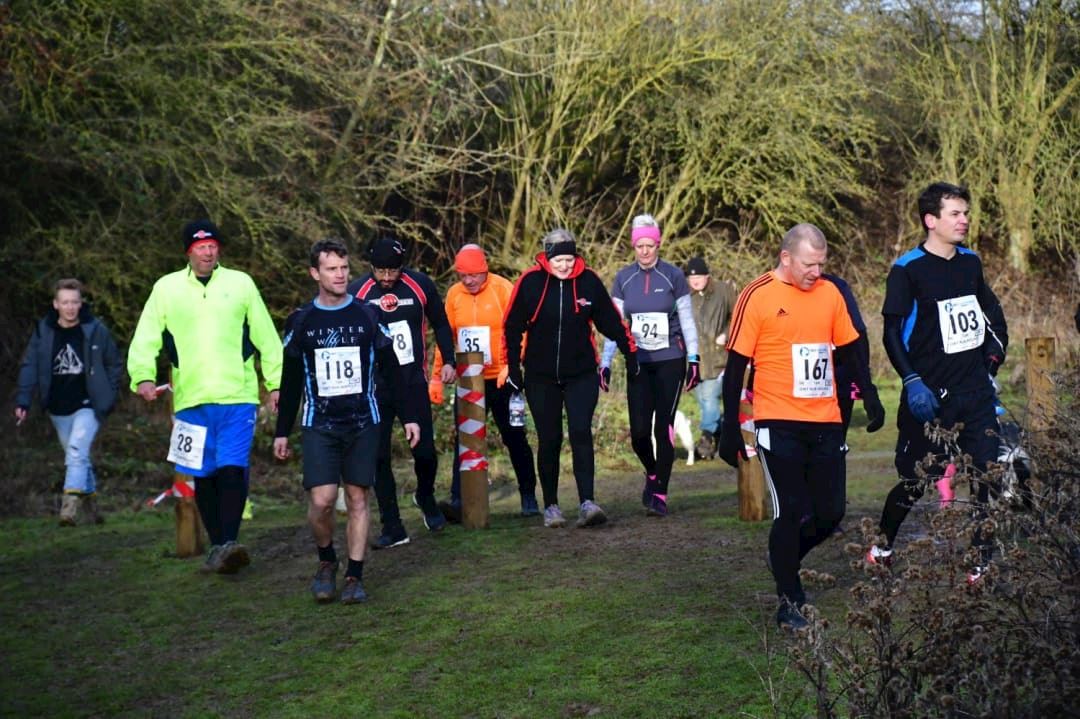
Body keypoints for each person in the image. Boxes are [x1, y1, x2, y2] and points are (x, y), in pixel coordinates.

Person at [718, 223, 885, 631]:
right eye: (810, 264)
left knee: (830, 513)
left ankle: (783, 559)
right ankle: (789, 599)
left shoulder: (830, 293)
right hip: (778, 420)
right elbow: (736, 365)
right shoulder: (757, 295)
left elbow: (850, 350)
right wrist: (728, 425)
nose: (816, 272)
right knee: (791, 511)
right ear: (786, 257)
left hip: (826, 418)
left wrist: (871, 393)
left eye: (822, 264)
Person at [868, 182, 1008, 583]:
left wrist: (992, 359)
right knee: (915, 483)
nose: (964, 220)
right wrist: (912, 381)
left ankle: (980, 565)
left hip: (975, 396)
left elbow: (990, 317)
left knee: (988, 476)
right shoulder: (907, 270)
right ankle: (882, 546)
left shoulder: (971, 263)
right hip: (929, 399)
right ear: (931, 221)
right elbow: (891, 333)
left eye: (966, 213)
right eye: (955, 213)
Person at [128, 220, 282, 574]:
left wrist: (276, 383)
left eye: (213, 245)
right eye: (201, 246)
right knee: (205, 474)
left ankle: (229, 542)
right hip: (190, 399)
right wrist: (143, 377)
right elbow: (146, 336)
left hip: (236, 395)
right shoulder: (166, 289)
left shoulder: (240, 283)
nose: (208, 251)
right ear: (189, 251)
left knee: (232, 467)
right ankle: (220, 546)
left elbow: (267, 337)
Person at [273, 239, 420, 604]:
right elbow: (291, 382)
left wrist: (410, 417)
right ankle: (326, 561)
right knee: (322, 501)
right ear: (315, 273)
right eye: (331, 269)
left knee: (357, 498)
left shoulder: (368, 315)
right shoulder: (302, 320)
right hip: (319, 423)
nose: (340, 275)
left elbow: (393, 370)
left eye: (343, 268)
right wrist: (281, 431)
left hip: (362, 421)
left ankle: (354, 575)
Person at [504, 228, 638, 528]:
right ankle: (551, 505)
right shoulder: (530, 283)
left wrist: (631, 354)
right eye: (558, 260)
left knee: (580, 432)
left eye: (569, 259)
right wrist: (512, 369)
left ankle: (587, 503)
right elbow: (511, 327)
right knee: (550, 438)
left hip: (581, 374)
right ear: (547, 259)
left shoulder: (588, 281)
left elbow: (611, 321)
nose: (564, 266)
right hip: (540, 376)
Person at [348, 235, 456, 548]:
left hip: (411, 382)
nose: (385, 278)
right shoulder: (357, 292)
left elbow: (441, 322)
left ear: (402, 266)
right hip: (374, 388)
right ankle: (392, 525)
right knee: (378, 456)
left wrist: (448, 360)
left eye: (392, 271)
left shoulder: (419, 285)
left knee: (424, 452)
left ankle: (425, 495)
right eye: (380, 271)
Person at [429, 244, 540, 520]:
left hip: (501, 379)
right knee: (465, 440)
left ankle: (528, 495)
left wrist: (511, 367)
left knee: (514, 436)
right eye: (463, 276)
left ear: (484, 270)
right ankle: (459, 499)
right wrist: (437, 375)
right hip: (470, 380)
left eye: (473, 275)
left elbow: (522, 331)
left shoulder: (503, 289)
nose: (468, 281)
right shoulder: (454, 295)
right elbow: (446, 336)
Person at [599, 214, 700, 517]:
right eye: (639, 245)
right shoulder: (623, 279)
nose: (645, 251)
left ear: (658, 245)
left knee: (663, 426)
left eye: (650, 245)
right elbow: (614, 325)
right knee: (640, 433)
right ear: (633, 246)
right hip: (639, 362)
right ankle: (652, 472)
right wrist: (605, 363)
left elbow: (687, 321)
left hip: (671, 360)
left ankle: (660, 493)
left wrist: (693, 359)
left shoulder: (673, 276)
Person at [15, 279, 122, 526]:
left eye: (75, 302)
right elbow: (30, 366)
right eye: (65, 302)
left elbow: (113, 362)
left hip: (89, 405)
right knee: (78, 456)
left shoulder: (95, 329)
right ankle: (93, 508)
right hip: (57, 406)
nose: (71, 307)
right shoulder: (44, 331)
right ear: (56, 304)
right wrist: (23, 401)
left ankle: (68, 510)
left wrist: (109, 392)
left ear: (80, 303)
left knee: (75, 451)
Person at [684, 256, 737, 460]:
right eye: (691, 277)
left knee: (709, 398)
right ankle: (722, 430)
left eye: (698, 276)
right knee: (703, 401)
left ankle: (706, 439)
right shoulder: (685, 297)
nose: (695, 280)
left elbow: (739, 315)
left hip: (718, 358)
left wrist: (726, 334)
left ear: (708, 276)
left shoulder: (723, 291)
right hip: (694, 361)